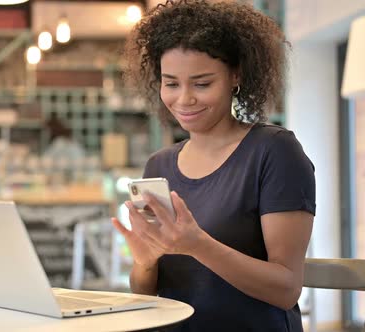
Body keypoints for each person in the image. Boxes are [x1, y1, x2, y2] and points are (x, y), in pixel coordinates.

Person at [111, 1, 315, 331]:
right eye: (172, 83)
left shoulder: (273, 152)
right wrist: (145, 263)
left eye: (202, 83)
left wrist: (197, 245)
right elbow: (146, 293)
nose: (184, 99)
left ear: (236, 76)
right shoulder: (159, 164)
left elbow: (286, 289)